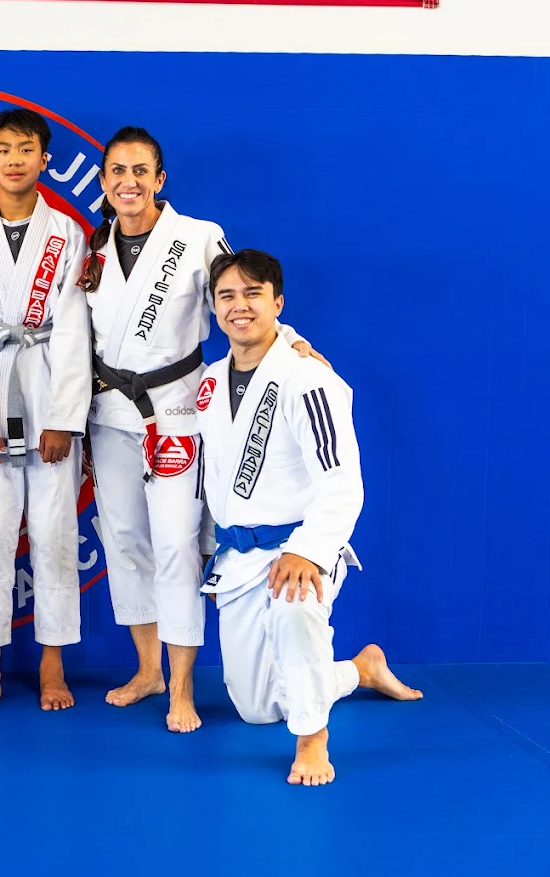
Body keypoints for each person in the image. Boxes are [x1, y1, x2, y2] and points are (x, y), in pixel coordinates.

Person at [79, 126, 316, 733]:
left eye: (140, 171)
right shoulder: (94, 248)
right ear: (104, 182)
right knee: (124, 540)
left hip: (178, 410)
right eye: (117, 172)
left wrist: (292, 341)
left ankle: (181, 686)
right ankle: (147, 670)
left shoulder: (197, 237)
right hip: (109, 411)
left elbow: (242, 297)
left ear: (159, 180)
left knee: (177, 544)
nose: (128, 182)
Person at [199, 249, 422, 785]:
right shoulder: (210, 381)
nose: (239, 306)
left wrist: (308, 550)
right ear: (214, 307)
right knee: (256, 707)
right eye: (227, 296)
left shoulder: (308, 379)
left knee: (295, 609)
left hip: (296, 545)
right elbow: (207, 470)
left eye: (253, 294)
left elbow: (342, 480)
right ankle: (359, 670)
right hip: (238, 555)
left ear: (278, 302)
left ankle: (313, 740)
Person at [0, 110, 93, 717]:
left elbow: (76, 326)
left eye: (25, 149)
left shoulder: (67, 233)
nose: (13, 159)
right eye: (3, 149)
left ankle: (52, 664)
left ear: (43, 160)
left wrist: (65, 417)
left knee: (55, 534)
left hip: (50, 380)